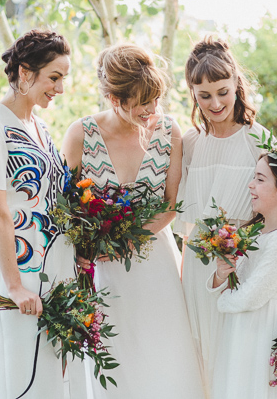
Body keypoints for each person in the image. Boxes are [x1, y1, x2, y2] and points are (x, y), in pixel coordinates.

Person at [174, 36, 277, 397]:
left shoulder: (259, 140)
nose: (215, 103)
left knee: (234, 362)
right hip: (198, 267)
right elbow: (178, 214)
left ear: (237, 84)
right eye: (203, 96)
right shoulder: (189, 143)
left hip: (245, 265)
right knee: (199, 358)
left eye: (222, 91)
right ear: (192, 94)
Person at [61, 43, 204, 399]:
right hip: (104, 270)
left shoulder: (169, 131)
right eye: (142, 102)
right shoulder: (81, 134)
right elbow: (67, 205)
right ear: (113, 98)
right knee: (116, 358)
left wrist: (126, 241)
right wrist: (86, 248)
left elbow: (171, 205)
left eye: (155, 98)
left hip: (156, 264)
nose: (152, 109)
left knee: (166, 356)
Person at [0, 29, 75, 399]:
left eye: (63, 78)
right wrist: (14, 286)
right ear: (26, 73)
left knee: (58, 379)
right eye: (54, 78)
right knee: (26, 377)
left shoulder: (41, 128)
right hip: (21, 271)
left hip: (58, 269)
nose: (60, 89)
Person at [208, 146, 277, 399]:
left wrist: (220, 301)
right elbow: (240, 283)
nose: (250, 185)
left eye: (260, 179)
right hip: (244, 327)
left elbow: (250, 296)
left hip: (265, 331)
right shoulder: (255, 232)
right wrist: (220, 276)